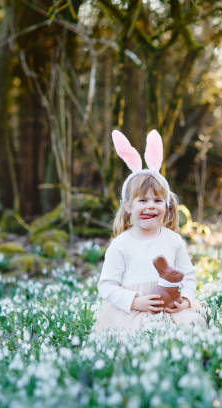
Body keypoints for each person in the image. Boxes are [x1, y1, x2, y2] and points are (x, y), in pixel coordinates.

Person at [92, 129, 207, 333]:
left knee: (191, 325)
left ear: (167, 205)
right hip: (133, 310)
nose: (150, 206)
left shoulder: (173, 241)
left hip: (171, 308)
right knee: (141, 332)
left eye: (157, 200)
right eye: (142, 200)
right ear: (128, 206)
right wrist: (135, 302)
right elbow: (107, 285)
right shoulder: (121, 244)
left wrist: (186, 299)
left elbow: (188, 276)